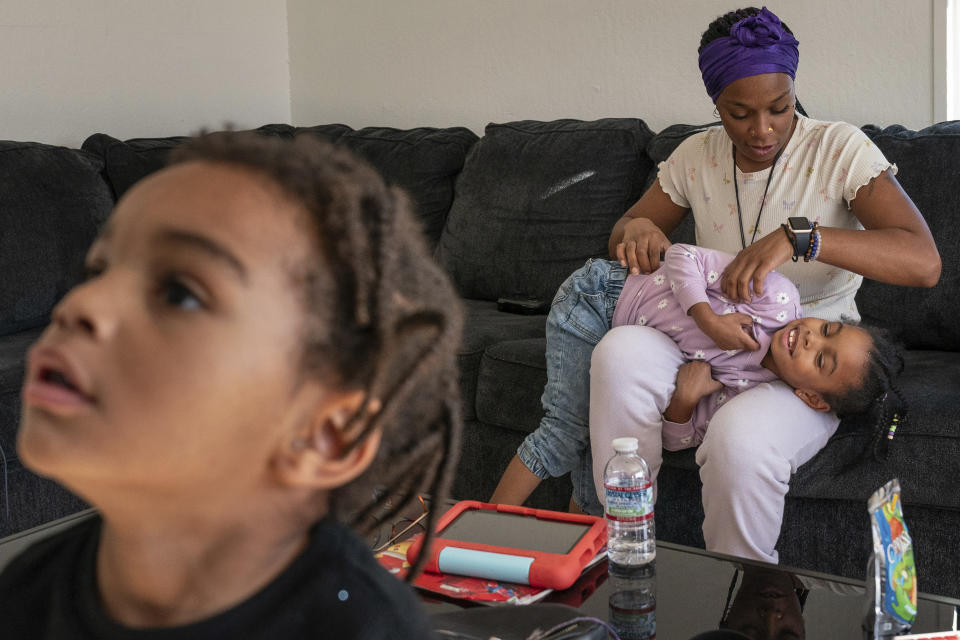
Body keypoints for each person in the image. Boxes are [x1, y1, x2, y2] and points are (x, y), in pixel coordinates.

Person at [0, 132, 464, 638]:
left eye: (180, 293)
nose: (79, 305)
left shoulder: (360, 625)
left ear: (325, 434)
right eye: (97, 271)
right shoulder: (29, 590)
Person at [593, 6, 939, 563]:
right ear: (716, 107)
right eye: (739, 113)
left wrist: (801, 238)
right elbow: (629, 231)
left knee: (740, 439)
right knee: (619, 352)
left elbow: (923, 262)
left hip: (801, 357)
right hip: (701, 335)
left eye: (779, 108)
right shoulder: (694, 156)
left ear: (794, 92)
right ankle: (619, 546)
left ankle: (744, 595)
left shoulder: (838, 149)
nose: (762, 129)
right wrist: (633, 229)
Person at [490, 242, 904, 514]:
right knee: (566, 432)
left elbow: (675, 439)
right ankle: (477, 535)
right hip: (598, 296)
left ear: (812, 398)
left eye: (822, 361)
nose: (811, 337)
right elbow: (681, 256)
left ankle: (571, 567)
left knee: (597, 470)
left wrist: (684, 403)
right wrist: (708, 319)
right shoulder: (775, 298)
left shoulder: (748, 390)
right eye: (828, 329)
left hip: (620, 328)